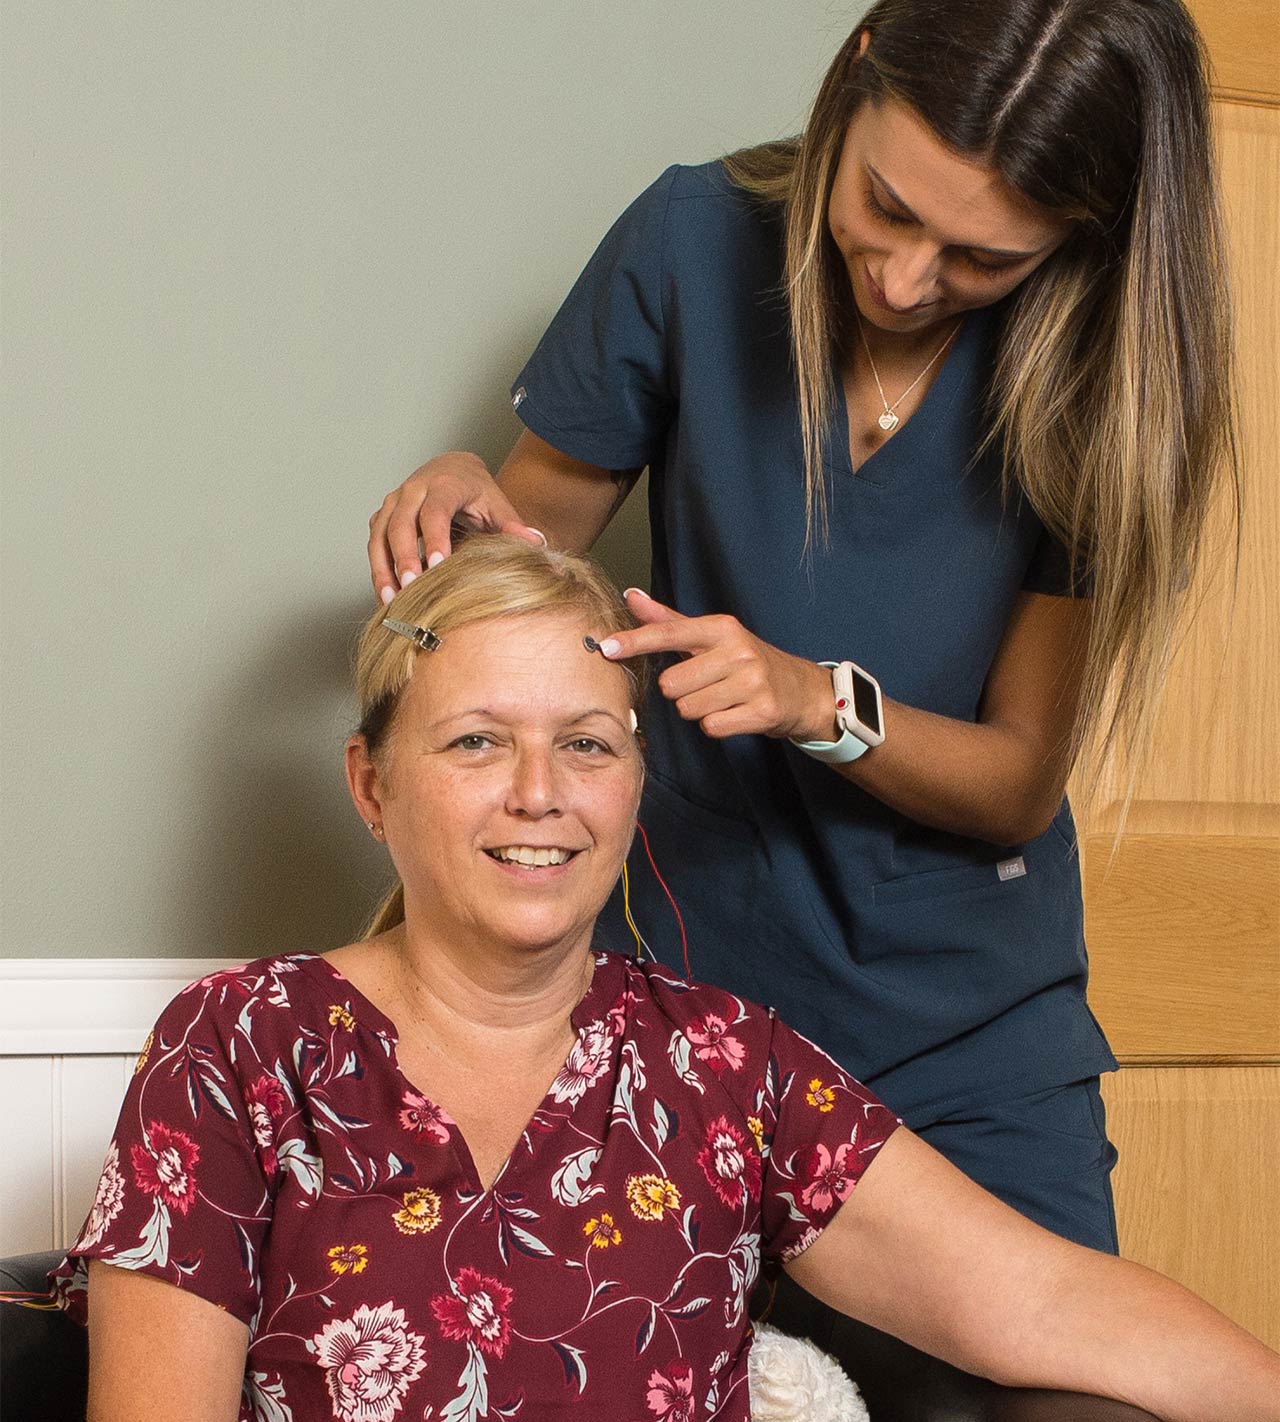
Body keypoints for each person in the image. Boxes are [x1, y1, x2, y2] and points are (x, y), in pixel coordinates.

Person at [363, 0, 1238, 1264]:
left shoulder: (1101, 370)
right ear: (858, 67)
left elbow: (1014, 782)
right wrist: (457, 491)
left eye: (980, 259)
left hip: (968, 1045)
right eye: (886, 206)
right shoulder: (690, 241)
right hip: (682, 1000)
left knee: (1072, 1379)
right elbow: (522, 577)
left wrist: (810, 700)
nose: (901, 280)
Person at [49, 538, 1278, 1421]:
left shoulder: (723, 1065)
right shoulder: (239, 1045)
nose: (539, 792)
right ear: (371, 786)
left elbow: (1047, 1308)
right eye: (476, 741)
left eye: (586, 744)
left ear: (635, 790)